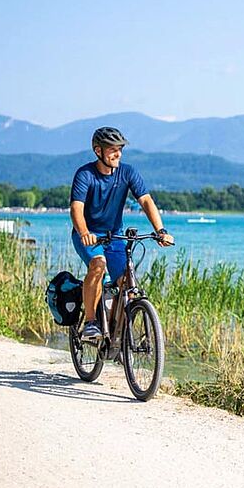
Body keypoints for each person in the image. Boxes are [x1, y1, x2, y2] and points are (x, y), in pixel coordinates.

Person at [70, 126, 173, 342]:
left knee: (129, 283)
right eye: (112, 149)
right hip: (89, 236)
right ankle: (90, 323)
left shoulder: (128, 172)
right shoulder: (85, 174)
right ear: (98, 151)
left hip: (114, 236)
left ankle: (117, 335)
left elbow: (145, 200)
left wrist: (160, 231)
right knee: (98, 265)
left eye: (120, 149)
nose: (118, 154)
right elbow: (76, 209)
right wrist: (84, 232)